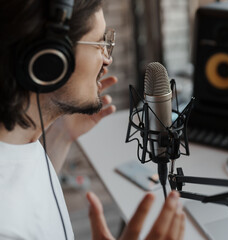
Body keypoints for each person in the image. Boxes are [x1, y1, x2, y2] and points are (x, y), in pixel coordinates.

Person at [0, 0, 185, 239]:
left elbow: (29, 193)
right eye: (99, 44)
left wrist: (62, 135)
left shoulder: (20, 143)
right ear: (50, 61)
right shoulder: (6, 224)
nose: (107, 59)